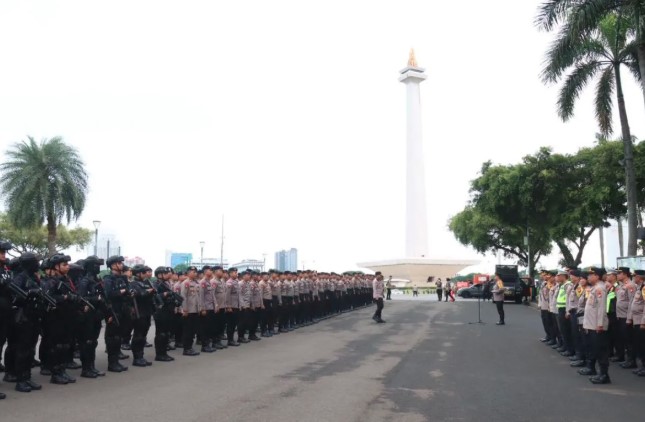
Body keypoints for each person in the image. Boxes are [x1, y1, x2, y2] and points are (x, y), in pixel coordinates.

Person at [579, 267, 610, 384]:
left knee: (601, 351)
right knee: (595, 349)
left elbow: (601, 308)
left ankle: (604, 375)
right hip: (591, 324)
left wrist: (600, 324)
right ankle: (597, 372)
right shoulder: (594, 288)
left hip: (597, 325)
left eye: (590, 275)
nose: (588, 277)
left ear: (597, 276)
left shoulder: (600, 289)